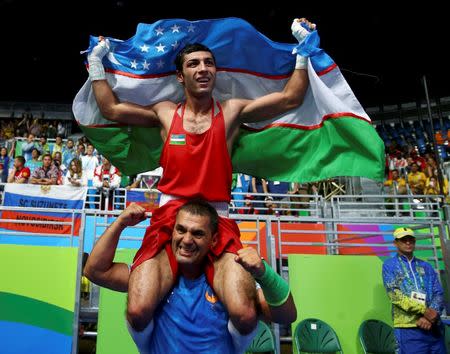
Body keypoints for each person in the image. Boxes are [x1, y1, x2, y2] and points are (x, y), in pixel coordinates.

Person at [88, 17, 313, 341]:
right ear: (181, 76)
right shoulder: (165, 113)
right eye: (194, 64)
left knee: (245, 313)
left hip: (217, 220)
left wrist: (303, 51)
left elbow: (291, 98)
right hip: (169, 218)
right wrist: (96, 61)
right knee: (138, 310)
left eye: (209, 63)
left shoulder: (233, 111)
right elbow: (111, 108)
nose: (203, 68)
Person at [84, 200, 297, 353]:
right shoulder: (152, 282)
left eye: (197, 233)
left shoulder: (229, 286)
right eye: (181, 230)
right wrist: (120, 223)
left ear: (214, 241)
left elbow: (287, 316)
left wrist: (264, 273)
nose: (186, 240)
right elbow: (95, 271)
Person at [382, 227, 446, 353]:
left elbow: (438, 292)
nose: (408, 242)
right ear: (395, 243)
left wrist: (430, 316)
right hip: (409, 328)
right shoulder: (389, 265)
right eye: (403, 240)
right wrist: (424, 310)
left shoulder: (426, 266)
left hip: (433, 327)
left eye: (411, 239)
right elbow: (395, 295)